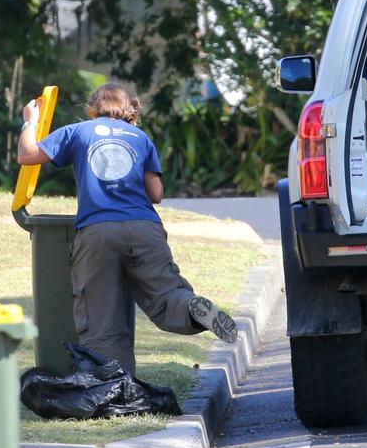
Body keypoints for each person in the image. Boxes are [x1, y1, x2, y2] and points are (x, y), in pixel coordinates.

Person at [17, 82, 238, 374]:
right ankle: (192, 308)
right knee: (166, 294)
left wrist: (30, 121)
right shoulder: (140, 137)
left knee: (100, 316)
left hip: (97, 230)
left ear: (92, 108)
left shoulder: (78, 131)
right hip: (144, 227)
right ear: (129, 109)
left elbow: (27, 154)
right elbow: (156, 194)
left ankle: (117, 387)